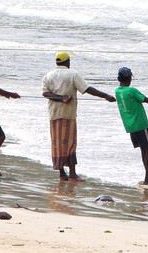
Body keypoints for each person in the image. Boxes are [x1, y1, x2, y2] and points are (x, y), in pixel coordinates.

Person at [42, 51, 116, 181]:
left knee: (57, 143)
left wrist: (60, 98)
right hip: (68, 115)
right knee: (70, 143)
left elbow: (45, 94)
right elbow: (87, 89)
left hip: (53, 115)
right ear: (67, 62)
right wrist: (106, 96)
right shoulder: (72, 74)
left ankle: (62, 173)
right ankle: (72, 173)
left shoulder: (48, 75)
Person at [114, 66, 148, 186]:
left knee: (144, 150)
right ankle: (147, 178)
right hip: (140, 124)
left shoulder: (117, 91)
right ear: (129, 79)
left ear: (119, 78)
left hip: (130, 126)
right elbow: (147, 99)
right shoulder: (131, 91)